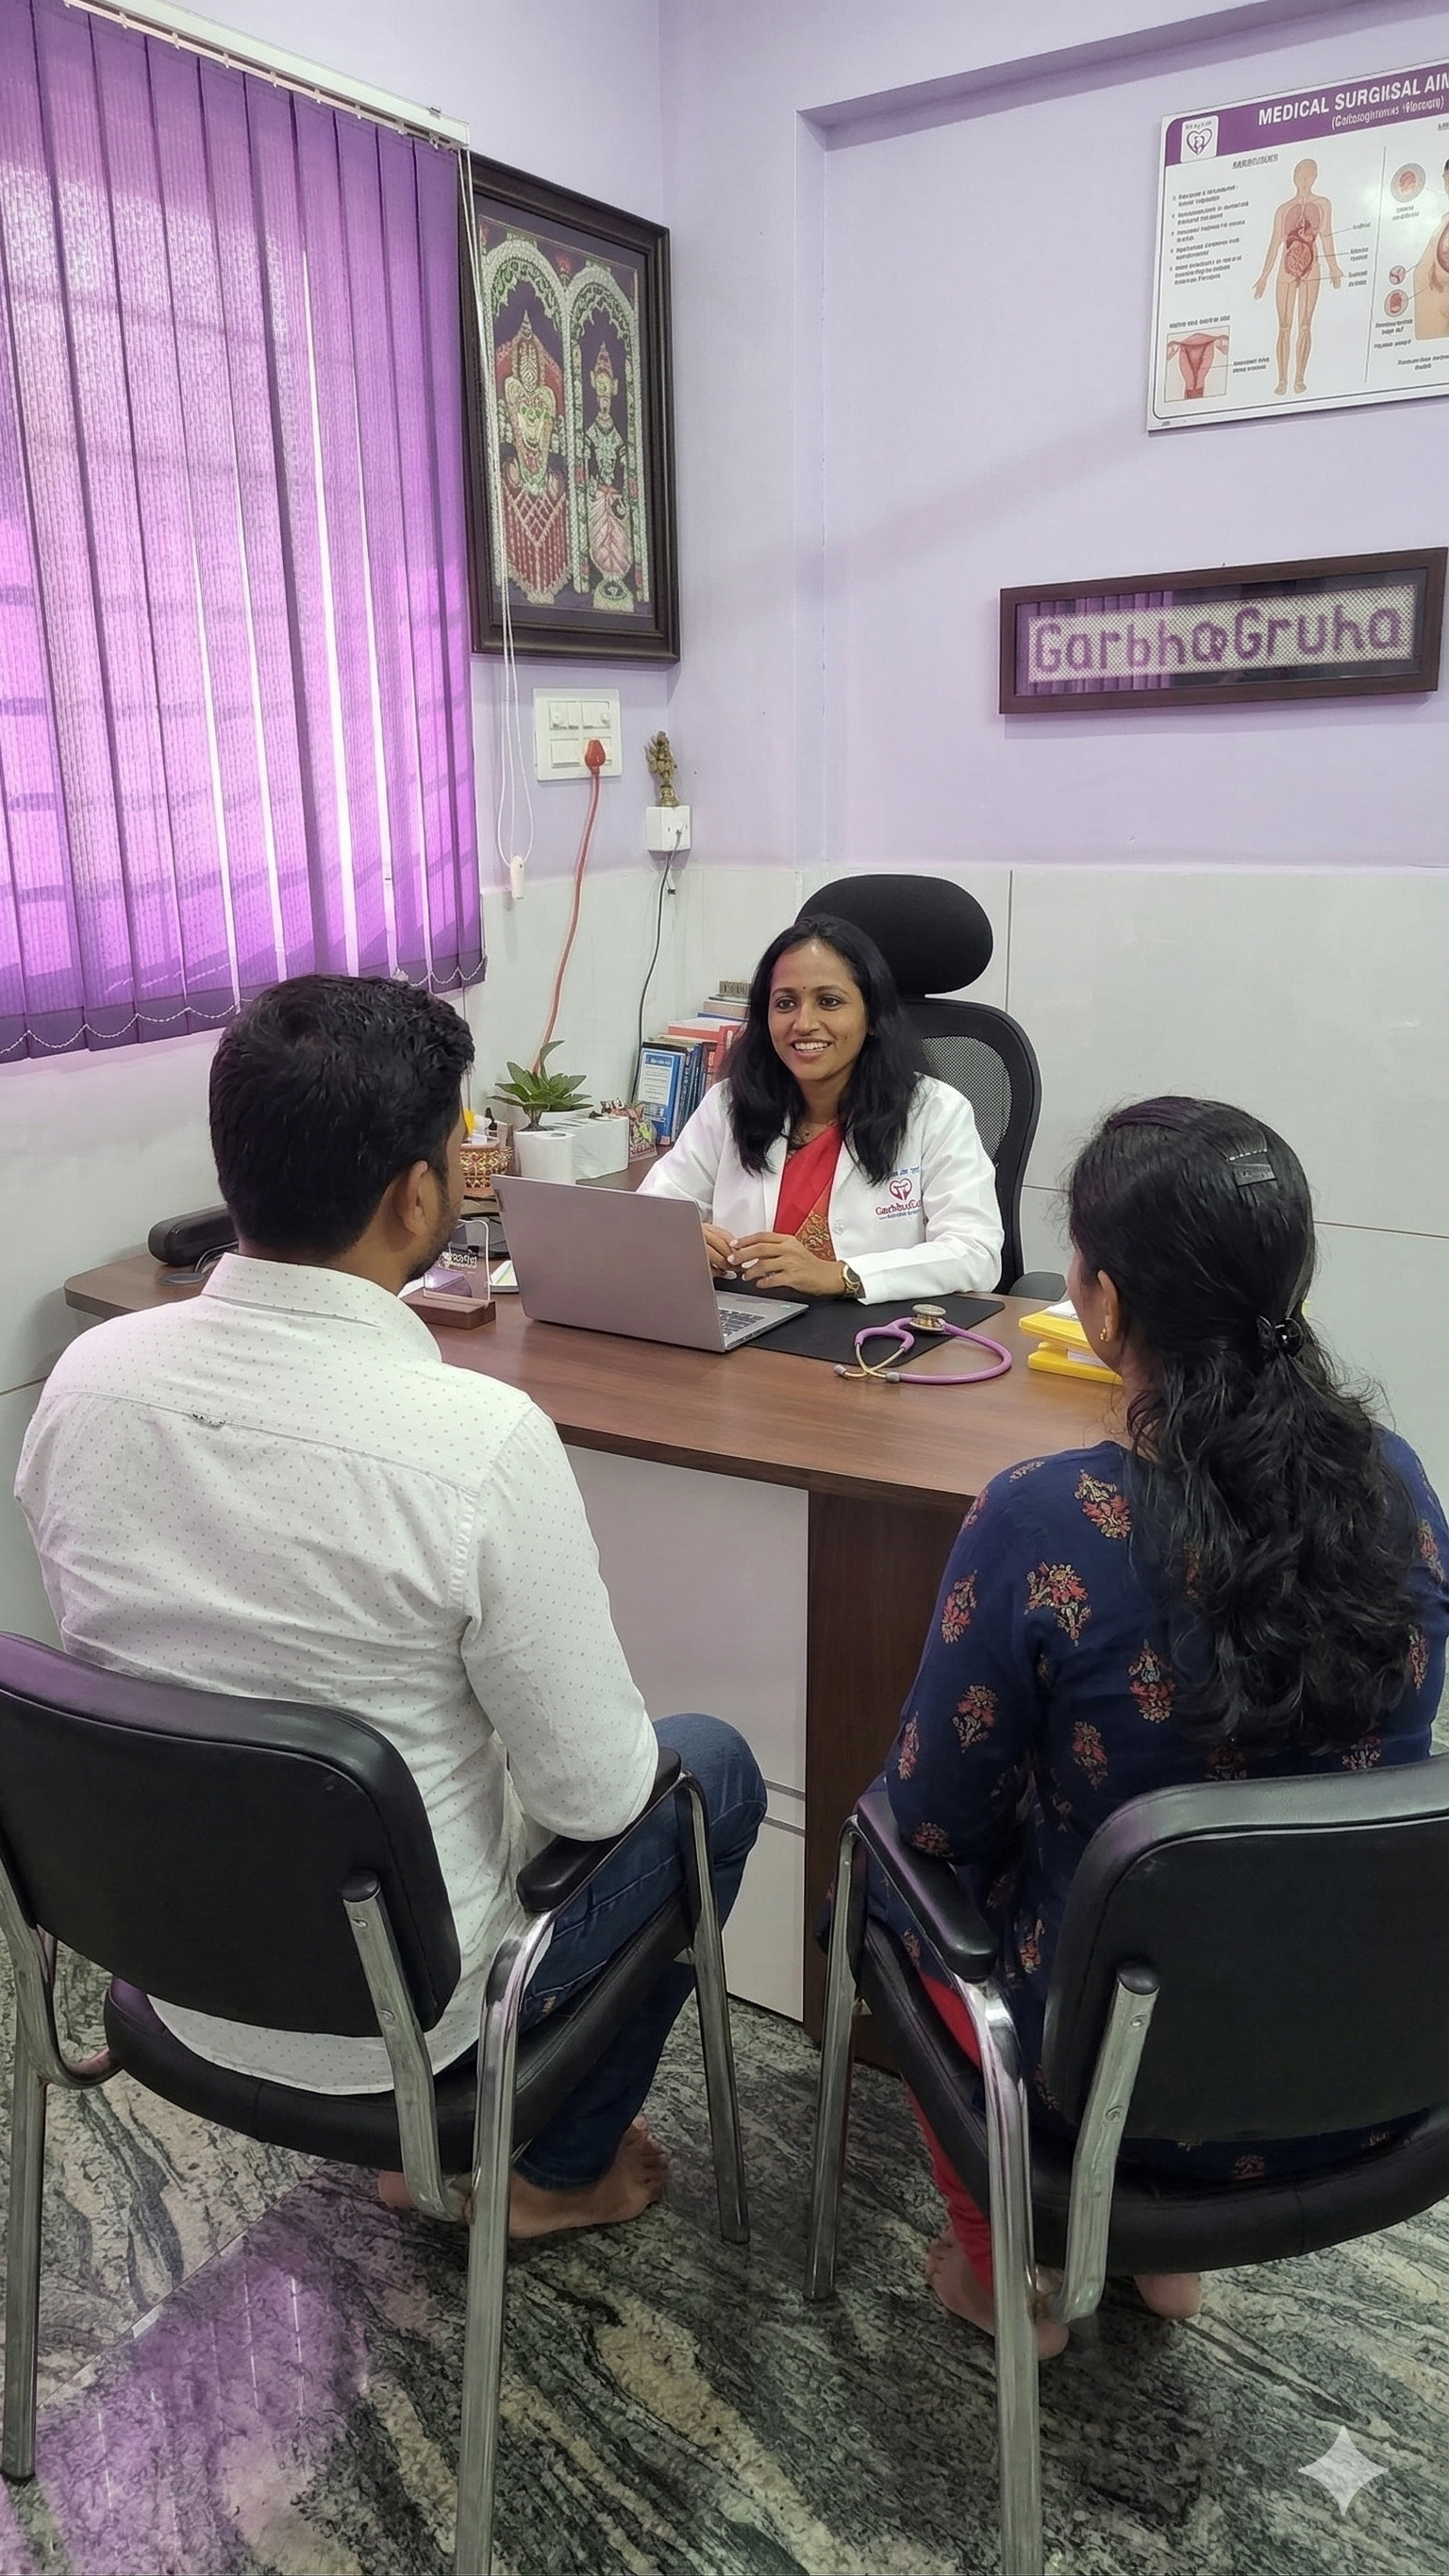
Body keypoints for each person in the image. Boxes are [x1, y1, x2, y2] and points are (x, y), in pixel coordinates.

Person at [17, 976, 765, 2238]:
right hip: (404, 2020)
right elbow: (597, 1798)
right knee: (713, 1769)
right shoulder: (476, 1442)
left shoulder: (84, 1383)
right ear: (421, 1196)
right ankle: (550, 2173)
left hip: (164, 1960)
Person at [870, 1096, 1449, 2356]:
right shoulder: (1400, 1484)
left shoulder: (1042, 1517)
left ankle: (1010, 2275)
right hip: (1367, 2071)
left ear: (1104, 1303)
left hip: (1096, 2095)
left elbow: (932, 1817)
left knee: (883, 1870)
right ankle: (1157, 2257)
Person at [641, 915, 1003, 1301]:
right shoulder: (729, 1105)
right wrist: (680, 1240)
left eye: (829, 1002)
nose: (804, 1023)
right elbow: (647, 1215)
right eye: (785, 1003)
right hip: (746, 1321)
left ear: (872, 1016)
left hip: (874, 1329)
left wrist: (842, 1275)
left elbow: (975, 1252)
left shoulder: (935, 1112)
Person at [1252, 159, 1342, 396]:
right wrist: (1264, 276)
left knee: (1304, 325)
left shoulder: (1323, 204)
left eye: (1309, 175)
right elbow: (1274, 243)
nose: (1305, 180)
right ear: (1294, 177)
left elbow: (1327, 236)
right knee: (1284, 326)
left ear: (1315, 177)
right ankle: (1282, 380)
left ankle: (1299, 378)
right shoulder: (1283, 210)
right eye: (1301, 175)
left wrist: (1334, 266)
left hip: (1312, 266)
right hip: (1286, 266)